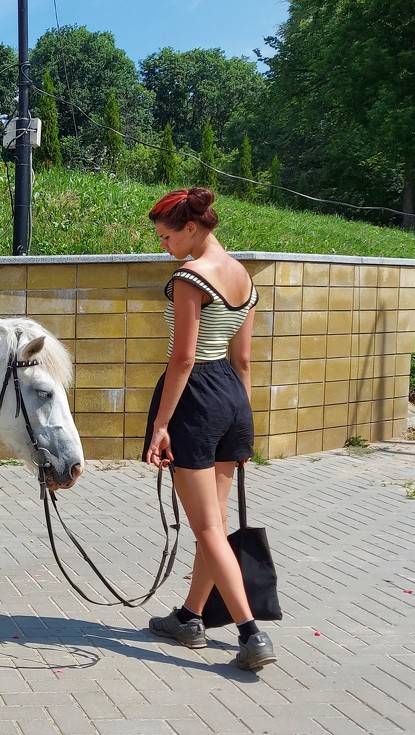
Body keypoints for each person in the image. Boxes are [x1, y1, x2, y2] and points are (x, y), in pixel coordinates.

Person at [141, 187, 276, 671]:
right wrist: (244, 424)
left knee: (207, 528)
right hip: (232, 398)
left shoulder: (190, 277)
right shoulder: (243, 277)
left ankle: (251, 633)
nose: (164, 247)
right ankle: (189, 617)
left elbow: (182, 358)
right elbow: (244, 359)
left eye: (167, 237)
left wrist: (161, 424)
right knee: (212, 524)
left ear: (191, 228)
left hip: (195, 399)